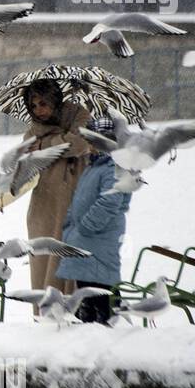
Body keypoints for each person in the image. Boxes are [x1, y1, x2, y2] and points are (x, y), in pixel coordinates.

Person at [55, 116, 133, 324]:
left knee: (101, 285)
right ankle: (87, 327)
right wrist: (70, 224)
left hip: (100, 236)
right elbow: (79, 198)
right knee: (85, 287)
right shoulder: (94, 166)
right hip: (85, 237)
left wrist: (86, 226)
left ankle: (104, 327)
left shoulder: (114, 167)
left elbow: (110, 201)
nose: (91, 146)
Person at [21, 78, 93, 292]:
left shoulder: (78, 115)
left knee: (70, 258)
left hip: (73, 199)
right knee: (43, 262)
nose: (38, 110)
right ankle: (47, 318)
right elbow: (24, 153)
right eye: (33, 106)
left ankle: (73, 315)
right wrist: (59, 141)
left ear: (54, 100)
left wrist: (46, 144)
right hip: (44, 203)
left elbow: (78, 144)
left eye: (43, 103)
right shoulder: (35, 128)